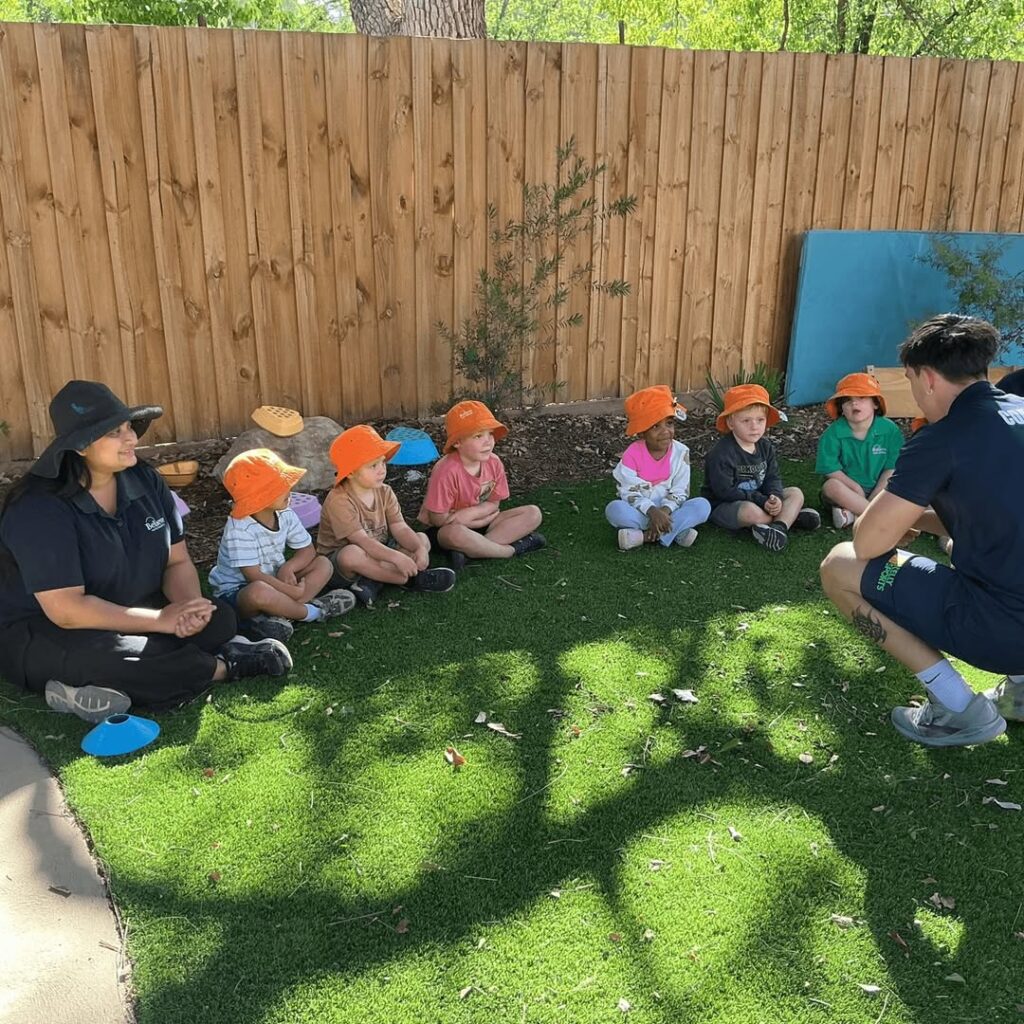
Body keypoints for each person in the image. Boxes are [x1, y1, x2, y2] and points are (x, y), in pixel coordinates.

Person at [0, 381, 292, 723]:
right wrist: (161, 621)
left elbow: (177, 561)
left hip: (135, 608)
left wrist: (189, 609)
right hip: (51, 630)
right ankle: (225, 667)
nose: (132, 439)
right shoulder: (38, 509)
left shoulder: (144, 479)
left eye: (129, 427)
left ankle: (93, 689)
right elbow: (66, 610)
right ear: (80, 446)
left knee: (219, 620)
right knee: (123, 657)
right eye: (115, 432)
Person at [819, 314, 1024, 746]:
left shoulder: (942, 438)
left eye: (910, 379)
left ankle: (957, 707)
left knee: (840, 566)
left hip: (1004, 631)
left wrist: (890, 520)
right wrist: (917, 518)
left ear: (927, 378)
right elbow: (995, 513)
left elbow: (867, 543)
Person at [208, 449, 355, 641]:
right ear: (259, 497)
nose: (289, 490)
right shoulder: (239, 529)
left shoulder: (285, 513)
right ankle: (313, 612)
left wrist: (289, 567)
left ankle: (281, 614)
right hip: (239, 591)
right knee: (259, 592)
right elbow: (253, 576)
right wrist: (289, 590)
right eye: (280, 487)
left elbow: (307, 550)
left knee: (323, 564)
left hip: (275, 577)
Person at [318, 425, 456, 607]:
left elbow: (400, 527)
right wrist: (397, 558)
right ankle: (411, 580)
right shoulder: (339, 500)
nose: (381, 470)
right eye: (373, 465)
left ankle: (372, 582)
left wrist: (418, 549)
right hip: (342, 564)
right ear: (350, 473)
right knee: (351, 554)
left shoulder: (385, 491)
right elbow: (362, 541)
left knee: (421, 539)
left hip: (379, 550)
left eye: (383, 462)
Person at [417, 400, 545, 569]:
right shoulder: (446, 470)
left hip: (483, 521)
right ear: (457, 442)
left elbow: (494, 503)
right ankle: (509, 550)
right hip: (449, 528)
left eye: (490, 434)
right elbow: (438, 520)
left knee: (533, 513)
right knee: (454, 534)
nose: (488, 442)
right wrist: (470, 520)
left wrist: (472, 515)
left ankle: (472, 551)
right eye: (478, 436)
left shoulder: (494, 462)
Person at [701, 384, 820, 552]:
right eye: (746, 420)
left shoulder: (765, 446)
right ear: (731, 422)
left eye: (760, 420)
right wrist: (762, 501)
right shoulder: (721, 453)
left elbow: (772, 477)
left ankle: (778, 527)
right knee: (751, 512)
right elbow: (725, 492)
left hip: (761, 498)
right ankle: (789, 518)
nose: (754, 426)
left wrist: (775, 497)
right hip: (726, 504)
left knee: (795, 493)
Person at [605, 385, 711, 551]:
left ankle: (644, 536)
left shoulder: (681, 452)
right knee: (614, 509)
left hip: (670, 509)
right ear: (642, 433)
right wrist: (653, 512)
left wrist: (664, 511)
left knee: (702, 506)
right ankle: (675, 531)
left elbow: (680, 491)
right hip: (641, 510)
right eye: (655, 426)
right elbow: (628, 492)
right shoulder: (631, 454)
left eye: (669, 423)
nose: (665, 431)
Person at [816, 373, 904, 529]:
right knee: (830, 487)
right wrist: (856, 488)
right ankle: (876, 517)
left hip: (882, 487)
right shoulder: (833, 433)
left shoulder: (890, 430)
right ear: (841, 408)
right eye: (847, 400)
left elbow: (891, 468)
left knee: (906, 486)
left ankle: (854, 513)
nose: (854, 403)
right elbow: (830, 469)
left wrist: (875, 496)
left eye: (861, 397)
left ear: (875, 404)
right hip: (848, 488)